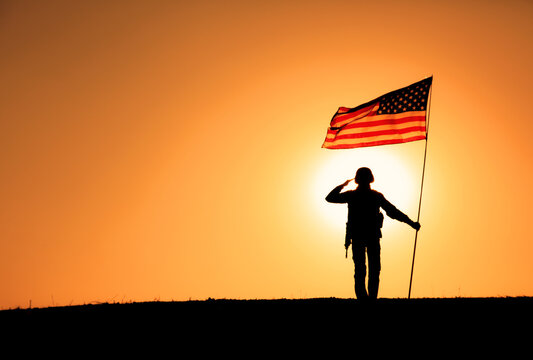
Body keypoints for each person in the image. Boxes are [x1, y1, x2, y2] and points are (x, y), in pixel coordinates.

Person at [325, 167, 420, 301]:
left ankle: (365, 299)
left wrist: (343, 185)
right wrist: (411, 223)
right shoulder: (374, 196)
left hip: (364, 236)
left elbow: (330, 198)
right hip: (369, 236)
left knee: (363, 269)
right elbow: (393, 212)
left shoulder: (354, 195)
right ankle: (369, 299)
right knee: (370, 269)